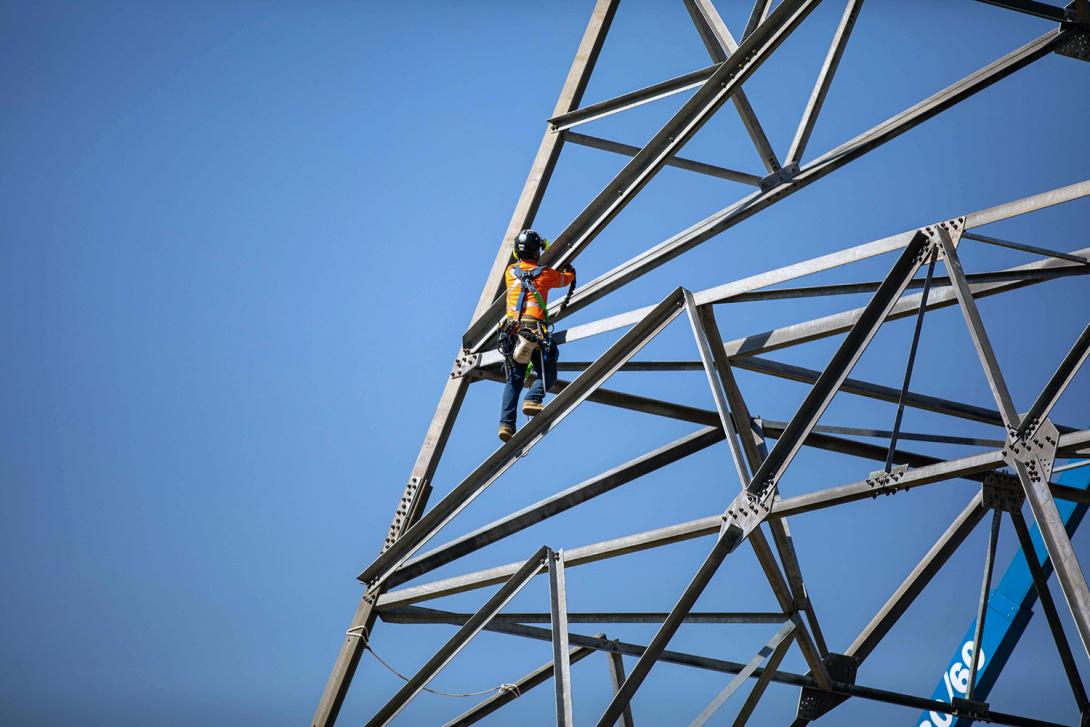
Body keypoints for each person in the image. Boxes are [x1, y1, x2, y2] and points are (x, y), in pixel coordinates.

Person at [497, 229, 575, 442]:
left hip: (511, 333)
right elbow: (565, 280)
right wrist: (571, 272)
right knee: (548, 370)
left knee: (513, 380)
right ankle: (532, 398)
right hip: (534, 331)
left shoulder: (510, 272)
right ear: (536, 251)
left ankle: (506, 424)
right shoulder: (545, 274)